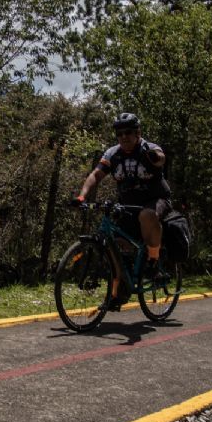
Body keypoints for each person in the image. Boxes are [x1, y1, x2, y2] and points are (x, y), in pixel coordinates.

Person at [74, 112, 170, 311]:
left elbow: (160, 158)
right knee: (113, 245)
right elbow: (96, 175)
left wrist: (154, 157)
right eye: (119, 133)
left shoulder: (148, 148)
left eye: (128, 132)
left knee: (147, 215)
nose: (124, 137)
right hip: (127, 206)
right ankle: (118, 293)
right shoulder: (112, 154)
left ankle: (153, 261)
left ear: (138, 133)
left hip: (155, 200)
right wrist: (82, 196)